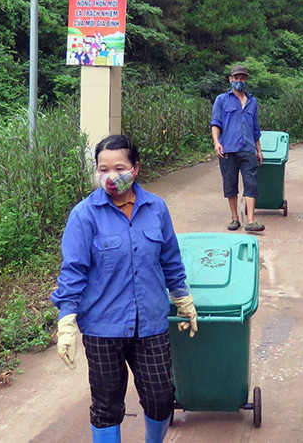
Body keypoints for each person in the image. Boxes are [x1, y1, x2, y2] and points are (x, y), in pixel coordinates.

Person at [52, 134, 198, 443]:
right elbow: (73, 271)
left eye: (118, 167)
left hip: (151, 323)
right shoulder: (84, 216)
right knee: (107, 406)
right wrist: (66, 321)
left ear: (136, 169)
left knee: (161, 399)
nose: (110, 176)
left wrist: (183, 298)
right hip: (103, 328)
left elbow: (170, 258)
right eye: (102, 169)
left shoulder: (156, 209)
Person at [210, 65, 265, 232]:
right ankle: (235, 218)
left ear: (246, 80)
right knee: (230, 184)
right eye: (236, 78)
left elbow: (255, 128)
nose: (239, 81)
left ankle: (250, 220)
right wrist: (216, 142)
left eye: (242, 78)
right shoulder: (221, 100)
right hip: (228, 150)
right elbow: (215, 123)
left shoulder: (252, 102)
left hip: (248, 149)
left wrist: (259, 150)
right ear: (230, 79)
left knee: (251, 184)